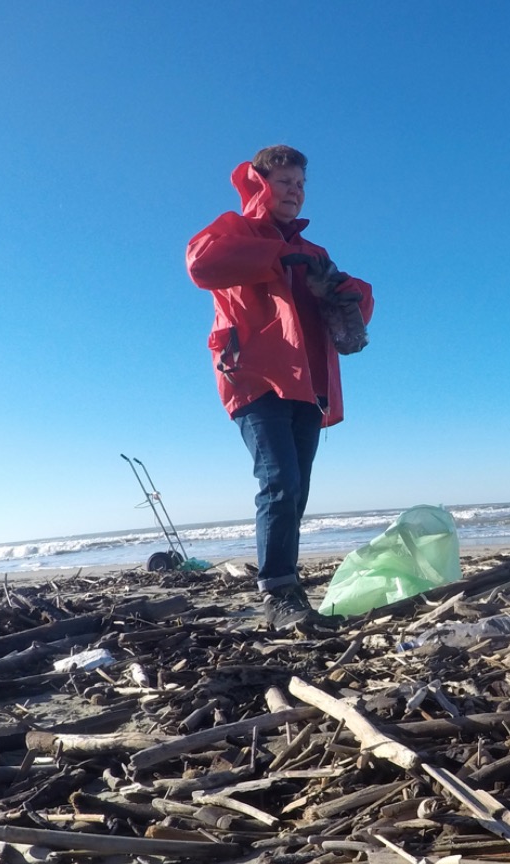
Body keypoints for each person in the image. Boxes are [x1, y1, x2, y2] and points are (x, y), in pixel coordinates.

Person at [186, 145, 374, 630]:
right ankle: (277, 591)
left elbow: (356, 308)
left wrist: (349, 292)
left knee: (297, 487)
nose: (297, 192)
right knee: (279, 481)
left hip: (308, 384)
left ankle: (286, 583)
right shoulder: (235, 230)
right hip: (255, 377)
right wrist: (277, 255)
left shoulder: (314, 252)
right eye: (286, 182)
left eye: (302, 184)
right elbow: (202, 265)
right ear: (260, 184)